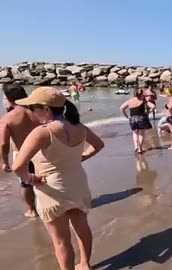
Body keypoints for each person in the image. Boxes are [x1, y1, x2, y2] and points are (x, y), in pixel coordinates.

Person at [11, 86, 104, 270]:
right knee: (82, 229)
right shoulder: (79, 127)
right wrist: (81, 157)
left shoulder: (42, 132)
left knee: (61, 241)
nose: (30, 112)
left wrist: (31, 180)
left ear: (46, 109)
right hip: (78, 184)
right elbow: (98, 145)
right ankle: (85, 265)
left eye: (32, 108)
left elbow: (17, 167)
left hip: (52, 191)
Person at [0, 85, 39, 217]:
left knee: (26, 184)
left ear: (10, 100)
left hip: (23, 154)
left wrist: (5, 162)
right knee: (46, 178)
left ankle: (32, 210)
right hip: (42, 151)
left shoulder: (7, 118)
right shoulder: (38, 112)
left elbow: (4, 143)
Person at [120, 88, 155, 154]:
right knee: (141, 134)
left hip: (132, 119)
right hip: (141, 118)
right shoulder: (143, 100)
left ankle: (136, 147)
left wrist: (127, 116)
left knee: (135, 133)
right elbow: (153, 106)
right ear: (141, 94)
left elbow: (121, 108)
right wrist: (148, 112)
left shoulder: (130, 100)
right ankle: (140, 149)